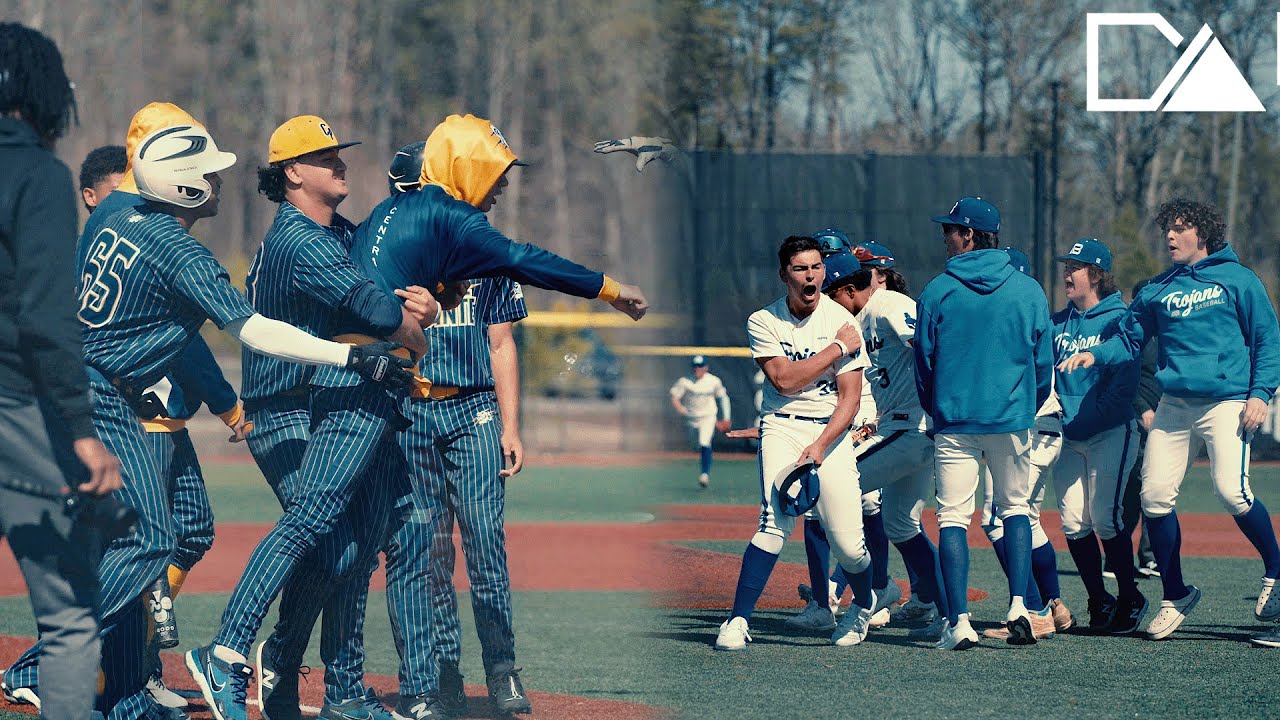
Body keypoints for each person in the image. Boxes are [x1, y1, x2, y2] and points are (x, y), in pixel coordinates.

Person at [75, 112, 411, 720]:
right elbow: (253, 332)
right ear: (181, 184)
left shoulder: (112, 213)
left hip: (88, 386)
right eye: (207, 172)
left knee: (180, 531)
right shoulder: (181, 252)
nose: (218, 180)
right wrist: (352, 358)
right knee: (152, 539)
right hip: (102, 395)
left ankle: (127, 689)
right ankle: (57, 659)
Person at [193, 114, 429, 720]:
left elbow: (392, 287)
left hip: (320, 398)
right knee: (314, 525)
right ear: (292, 173)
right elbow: (376, 310)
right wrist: (412, 318)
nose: (339, 163)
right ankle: (227, 651)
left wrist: (430, 299)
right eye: (325, 157)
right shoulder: (300, 240)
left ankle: (305, 670)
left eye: (339, 154)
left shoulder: (335, 230)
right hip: (280, 408)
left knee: (347, 548)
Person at [1058, 199, 1280, 643]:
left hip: (1227, 402)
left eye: (1179, 228)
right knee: (1155, 498)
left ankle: (1276, 570)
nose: (1170, 236)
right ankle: (1175, 594)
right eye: (1168, 230)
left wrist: (1260, 394)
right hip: (1175, 404)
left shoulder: (1238, 279)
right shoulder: (1157, 289)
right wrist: (1095, 353)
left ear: (1203, 232)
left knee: (1232, 492)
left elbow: (1266, 338)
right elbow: (1128, 340)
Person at [378, 140, 533, 717]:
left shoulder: (483, 251)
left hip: (473, 410)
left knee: (486, 542)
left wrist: (511, 425)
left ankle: (502, 671)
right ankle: (443, 672)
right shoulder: (392, 253)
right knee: (429, 551)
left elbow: (501, 342)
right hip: (412, 412)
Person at [0, 22, 122, 720]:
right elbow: (48, 317)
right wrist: (81, 430)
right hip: (19, 410)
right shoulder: (41, 176)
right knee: (71, 618)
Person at [714, 235, 875, 651]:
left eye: (817, 266)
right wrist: (837, 348)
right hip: (782, 426)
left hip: (831, 432)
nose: (811, 275)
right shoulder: (764, 320)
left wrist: (821, 444)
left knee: (849, 546)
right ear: (785, 274)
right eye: (801, 268)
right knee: (773, 524)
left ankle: (864, 602)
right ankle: (737, 621)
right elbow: (784, 381)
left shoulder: (842, 318)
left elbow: (851, 399)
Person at [915, 197, 1053, 649]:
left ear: (969, 235)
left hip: (955, 421)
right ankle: (1020, 607)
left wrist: (938, 409)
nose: (945, 237)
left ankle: (959, 623)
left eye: (950, 230)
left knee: (953, 517)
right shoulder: (1029, 290)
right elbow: (1042, 362)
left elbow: (924, 363)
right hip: (1011, 419)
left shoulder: (937, 290)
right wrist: (1023, 407)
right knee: (1015, 509)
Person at [809, 251, 951, 643]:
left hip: (912, 428)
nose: (828, 301)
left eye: (832, 293)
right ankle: (948, 611)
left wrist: (942, 412)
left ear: (850, 289)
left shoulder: (890, 305)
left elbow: (933, 350)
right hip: (902, 429)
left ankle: (865, 598)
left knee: (830, 483)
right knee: (900, 524)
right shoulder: (858, 317)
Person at [1049, 239, 1146, 634]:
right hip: (1068, 436)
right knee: (1073, 523)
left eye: (1076, 266)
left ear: (1097, 274)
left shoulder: (1119, 319)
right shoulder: (1058, 323)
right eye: (1067, 265)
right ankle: (1098, 599)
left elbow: (1123, 389)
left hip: (1110, 432)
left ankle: (1129, 596)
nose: (1067, 273)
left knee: (1105, 518)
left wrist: (1083, 420)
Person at [974, 248, 1069, 642]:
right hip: (1041, 424)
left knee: (1000, 518)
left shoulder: (1010, 314)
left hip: (1031, 424)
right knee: (1024, 517)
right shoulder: (1027, 307)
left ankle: (1033, 610)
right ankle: (1053, 604)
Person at [670, 355, 731, 487]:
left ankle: (704, 474)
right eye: (695, 366)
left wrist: (726, 417)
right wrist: (680, 409)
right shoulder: (685, 381)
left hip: (708, 416)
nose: (697, 369)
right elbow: (675, 397)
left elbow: (723, 398)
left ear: (706, 367)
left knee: (704, 442)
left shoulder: (713, 381)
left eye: (700, 366)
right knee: (695, 446)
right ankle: (703, 465)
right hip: (691, 418)